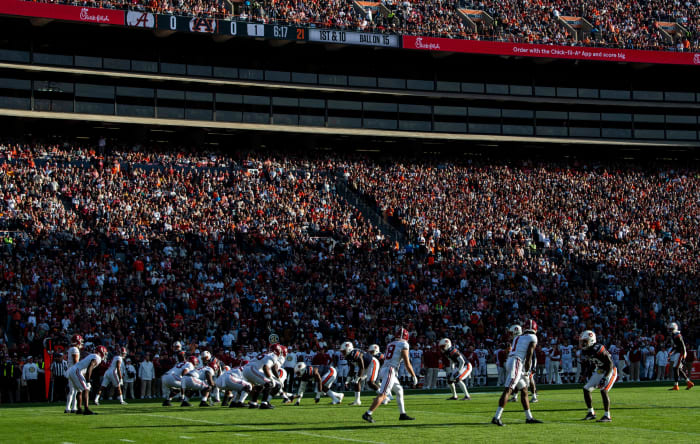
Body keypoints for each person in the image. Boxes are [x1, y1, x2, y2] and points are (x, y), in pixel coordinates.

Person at [362, 327, 418, 423]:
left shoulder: (390, 344)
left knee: (399, 390)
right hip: (390, 370)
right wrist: (413, 375)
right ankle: (368, 413)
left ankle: (402, 414)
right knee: (383, 394)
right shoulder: (404, 344)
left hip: (385, 368)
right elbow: (406, 362)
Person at [492, 321, 542, 426]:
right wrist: (528, 371)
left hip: (512, 361)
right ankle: (496, 417)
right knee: (509, 389)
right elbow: (529, 355)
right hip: (517, 362)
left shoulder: (518, 337)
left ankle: (529, 417)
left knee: (524, 390)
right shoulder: (532, 337)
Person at [579, 330, 616, 422]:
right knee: (586, 389)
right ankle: (591, 412)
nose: (583, 343)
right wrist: (585, 375)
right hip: (599, 371)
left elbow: (610, 364)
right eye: (582, 341)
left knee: (603, 390)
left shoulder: (598, 348)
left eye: (585, 341)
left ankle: (607, 416)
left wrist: (605, 377)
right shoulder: (586, 350)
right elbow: (592, 364)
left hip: (610, 371)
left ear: (591, 340)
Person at [67, 345, 107, 415]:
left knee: (79, 390)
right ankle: (86, 409)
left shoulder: (92, 356)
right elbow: (90, 367)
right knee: (86, 389)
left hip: (72, 371)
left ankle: (79, 409)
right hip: (76, 371)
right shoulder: (97, 357)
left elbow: (87, 368)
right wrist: (88, 380)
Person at [341, 341, 380, 406]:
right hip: (365, 366)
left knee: (370, 382)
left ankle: (384, 397)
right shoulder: (348, 356)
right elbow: (352, 369)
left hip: (372, 363)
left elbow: (361, 367)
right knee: (357, 381)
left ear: (348, 350)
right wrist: (347, 380)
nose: (342, 353)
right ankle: (357, 401)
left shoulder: (356, 353)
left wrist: (357, 378)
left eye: (343, 351)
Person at [668, 322, 694, 390]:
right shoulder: (674, 335)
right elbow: (676, 346)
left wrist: (684, 354)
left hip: (681, 353)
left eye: (671, 329)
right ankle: (689, 383)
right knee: (678, 369)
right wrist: (671, 352)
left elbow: (683, 345)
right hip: (678, 352)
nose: (670, 330)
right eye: (669, 329)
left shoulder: (677, 334)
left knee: (675, 368)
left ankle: (676, 386)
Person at [65, 334, 83, 413]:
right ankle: (72, 407)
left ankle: (69, 407)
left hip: (70, 370)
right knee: (75, 390)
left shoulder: (71, 349)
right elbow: (76, 361)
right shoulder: (75, 349)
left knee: (72, 390)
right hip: (73, 370)